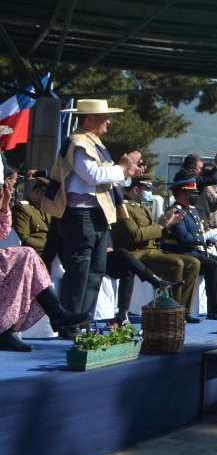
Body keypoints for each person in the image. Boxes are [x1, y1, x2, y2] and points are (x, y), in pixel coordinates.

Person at [42, 99, 146, 338]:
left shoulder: (93, 143)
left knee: (96, 269)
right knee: (79, 269)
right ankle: (69, 323)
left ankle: (82, 321)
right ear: (89, 118)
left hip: (96, 215)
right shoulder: (79, 143)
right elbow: (93, 175)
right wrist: (123, 169)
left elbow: (105, 177)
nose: (108, 121)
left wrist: (127, 172)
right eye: (104, 116)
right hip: (80, 215)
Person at [0, 171, 92, 351]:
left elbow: (2, 232)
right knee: (26, 255)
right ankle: (55, 314)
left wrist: (4, 206)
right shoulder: (25, 208)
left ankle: (7, 331)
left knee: (28, 257)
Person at [111, 180, 201, 322]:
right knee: (175, 263)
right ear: (135, 189)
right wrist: (160, 226)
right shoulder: (123, 208)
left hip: (153, 251)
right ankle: (170, 311)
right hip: (137, 253)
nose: (150, 191)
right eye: (147, 187)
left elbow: (155, 233)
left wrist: (167, 224)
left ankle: (183, 310)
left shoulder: (143, 207)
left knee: (193, 263)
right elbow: (135, 236)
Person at [161, 176, 217, 319]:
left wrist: (211, 236)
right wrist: (204, 238)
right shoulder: (176, 211)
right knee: (213, 266)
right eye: (192, 193)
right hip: (183, 253)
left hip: (196, 252)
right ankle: (215, 310)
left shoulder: (193, 211)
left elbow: (201, 231)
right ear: (182, 194)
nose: (196, 195)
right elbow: (183, 238)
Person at [12, 175, 53, 261]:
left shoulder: (47, 211)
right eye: (48, 196)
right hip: (33, 258)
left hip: (51, 257)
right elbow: (23, 239)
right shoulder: (23, 209)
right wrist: (51, 246)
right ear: (37, 192)